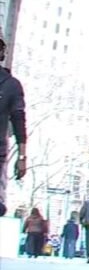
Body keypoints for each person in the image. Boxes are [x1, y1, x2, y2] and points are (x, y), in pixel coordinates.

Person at [0, 34, 27, 218]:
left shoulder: (11, 85)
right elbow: (19, 120)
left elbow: (19, 120)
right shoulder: (11, 85)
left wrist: (22, 155)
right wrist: (22, 156)